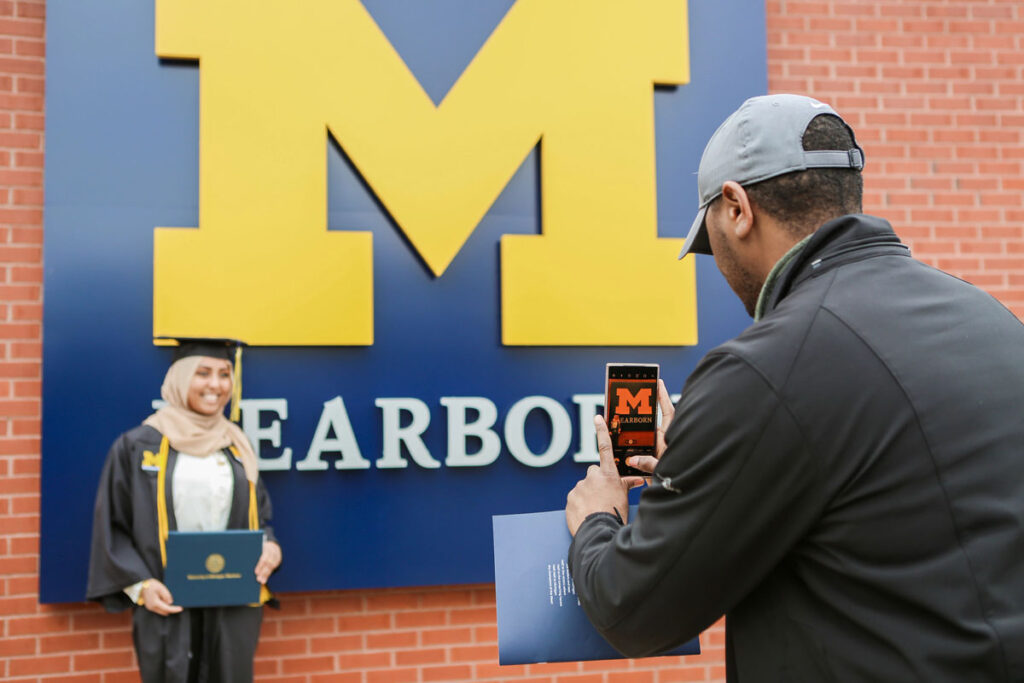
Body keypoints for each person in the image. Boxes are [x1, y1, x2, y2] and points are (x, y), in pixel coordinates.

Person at [565, 94, 1024, 680]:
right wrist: (714, 458)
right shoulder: (990, 318)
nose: (719, 264)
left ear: (736, 209)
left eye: (710, 244)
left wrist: (598, 520)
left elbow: (633, 608)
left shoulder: (767, 368)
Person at [87, 338, 282, 682]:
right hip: (169, 601)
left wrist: (269, 545)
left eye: (224, 374)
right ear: (179, 379)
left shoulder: (236, 444)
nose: (216, 385)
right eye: (202, 373)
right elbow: (113, 525)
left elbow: (259, 513)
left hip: (231, 599)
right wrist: (141, 586)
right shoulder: (138, 446)